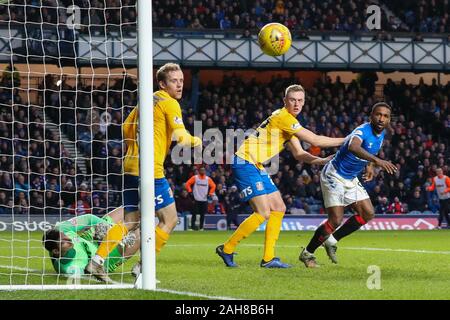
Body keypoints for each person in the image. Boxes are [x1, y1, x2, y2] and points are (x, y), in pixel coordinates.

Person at [85, 63, 202, 281]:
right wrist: (198, 140)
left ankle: (96, 262)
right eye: (174, 81)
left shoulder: (147, 101)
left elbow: (126, 128)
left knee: (130, 221)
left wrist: (135, 149)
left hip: (130, 166)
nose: (179, 84)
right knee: (170, 219)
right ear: (162, 83)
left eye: (181, 80)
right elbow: (181, 137)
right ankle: (143, 268)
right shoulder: (170, 104)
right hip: (149, 170)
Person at [216, 84, 344, 268]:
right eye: (292, 100)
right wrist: (347, 140)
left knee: (278, 207)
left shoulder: (287, 122)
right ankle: (227, 248)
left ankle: (268, 258)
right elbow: (314, 139)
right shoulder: (283, 117)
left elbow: (299, 154)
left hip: (256, 165)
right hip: (245, 162)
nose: (297, 104)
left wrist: (322, 161)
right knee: (262, 212)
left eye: (300, 100)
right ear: (285, 101)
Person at [300, 102, 397, 268]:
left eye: (385, 116)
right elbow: (353, 146)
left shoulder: (381, 135)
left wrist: (370, 166)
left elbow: (370, 151)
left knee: (367, 213)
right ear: (371, 116)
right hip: (334, 174)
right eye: (378, 114)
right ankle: (307, 254)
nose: (381, 118)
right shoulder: (362, 130)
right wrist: (377, 161)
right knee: (336, 220)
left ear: (389, 120)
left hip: (350, 177)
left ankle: (331, 240)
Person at [42, 208, 139, 280]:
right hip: (106, 258)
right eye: (64, 242)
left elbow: (89, 218)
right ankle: (141, 265)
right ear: (56, 251)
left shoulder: (60, 229)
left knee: (129, 209)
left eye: (66, 236)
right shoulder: (70, 268)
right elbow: (88, 275)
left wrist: (109, 228)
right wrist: (119, 239)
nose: (69, 239)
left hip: (91, 238)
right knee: (139, 233)